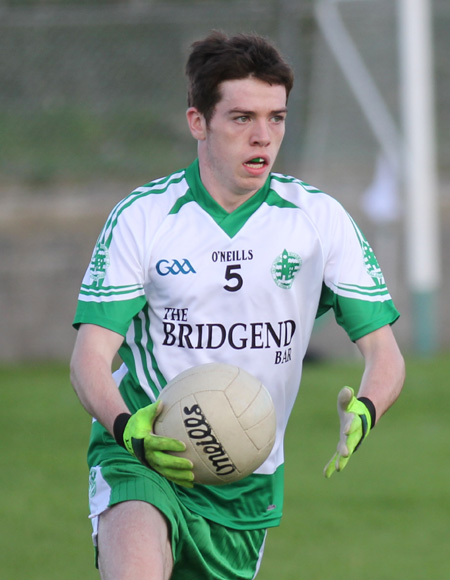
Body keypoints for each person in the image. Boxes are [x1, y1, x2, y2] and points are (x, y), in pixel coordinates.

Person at [70, 31, 405, 580]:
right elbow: (89, 357)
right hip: (143, 454)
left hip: (245, 474)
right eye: (242, 118)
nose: (263, 138)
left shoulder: (317, 221)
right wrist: (129, 429)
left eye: (276, 118)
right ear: (198, 122)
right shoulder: (145, 217)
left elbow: (384, 355)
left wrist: (365, 407)